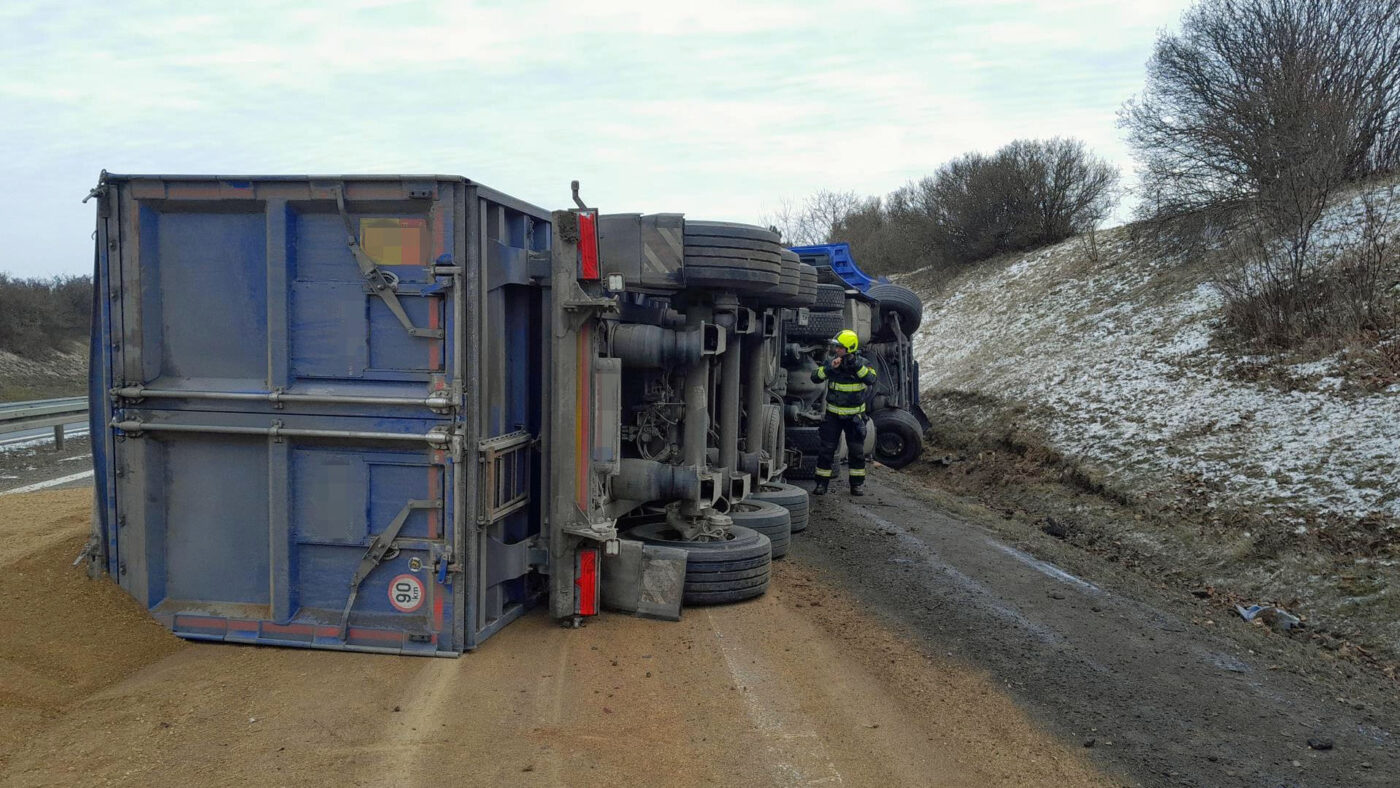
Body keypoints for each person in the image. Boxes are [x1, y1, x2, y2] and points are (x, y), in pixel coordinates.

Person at [810, 329, 876, 496]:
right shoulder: (833, 362)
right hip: (833, 416)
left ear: (849, 348)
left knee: (856, 452)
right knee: (826, 450)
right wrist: (830, 368)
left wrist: (856, 365)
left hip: (854, 417)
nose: (836, 350)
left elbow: (871, 379)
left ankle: (857, 485)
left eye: (840, 347)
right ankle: (821, 484)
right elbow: (815, 377)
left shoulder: (863, 363)